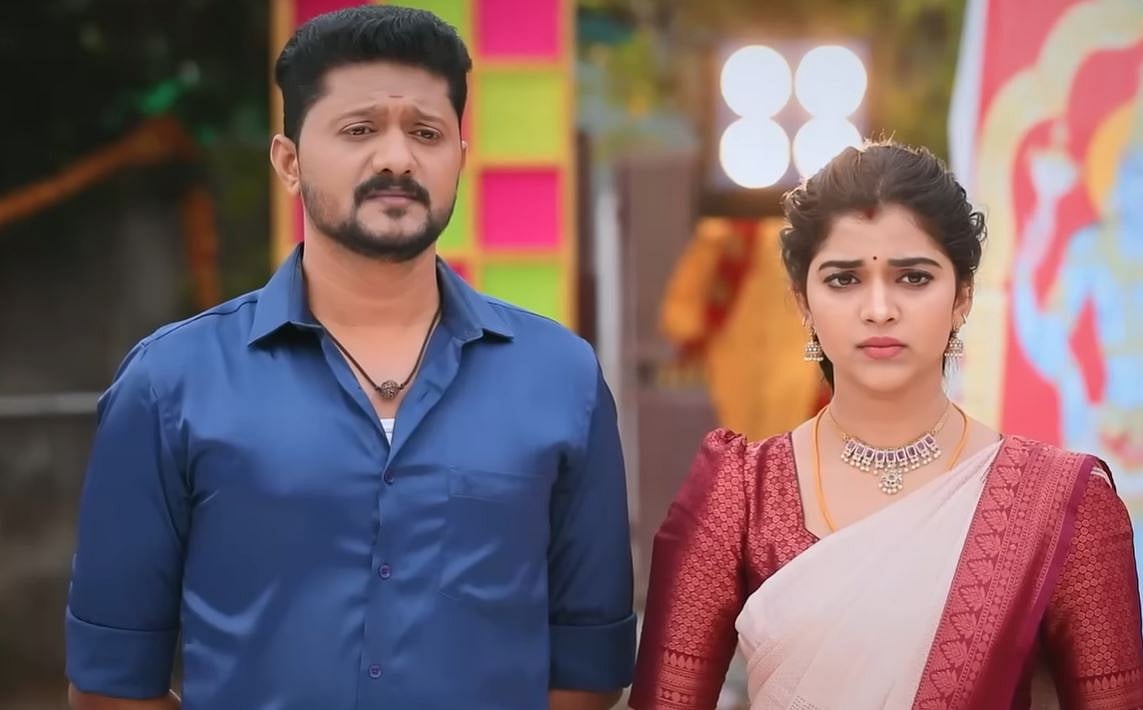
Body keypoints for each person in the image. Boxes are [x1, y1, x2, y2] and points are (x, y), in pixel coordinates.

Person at [65, 6, 635, 710]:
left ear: (460, 157)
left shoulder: (560, 378)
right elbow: (112, 681)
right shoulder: (170, 384)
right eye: (359, 130)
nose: (397, 158)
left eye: (426, 133)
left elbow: (590, 668)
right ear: (289, 162)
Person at [628, 141, 1143, 709]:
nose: (879, 309)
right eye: (843, 279)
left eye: (913, 278)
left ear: (962, 296)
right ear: (803, 302)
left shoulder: (1058, 503)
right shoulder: (740, 494)